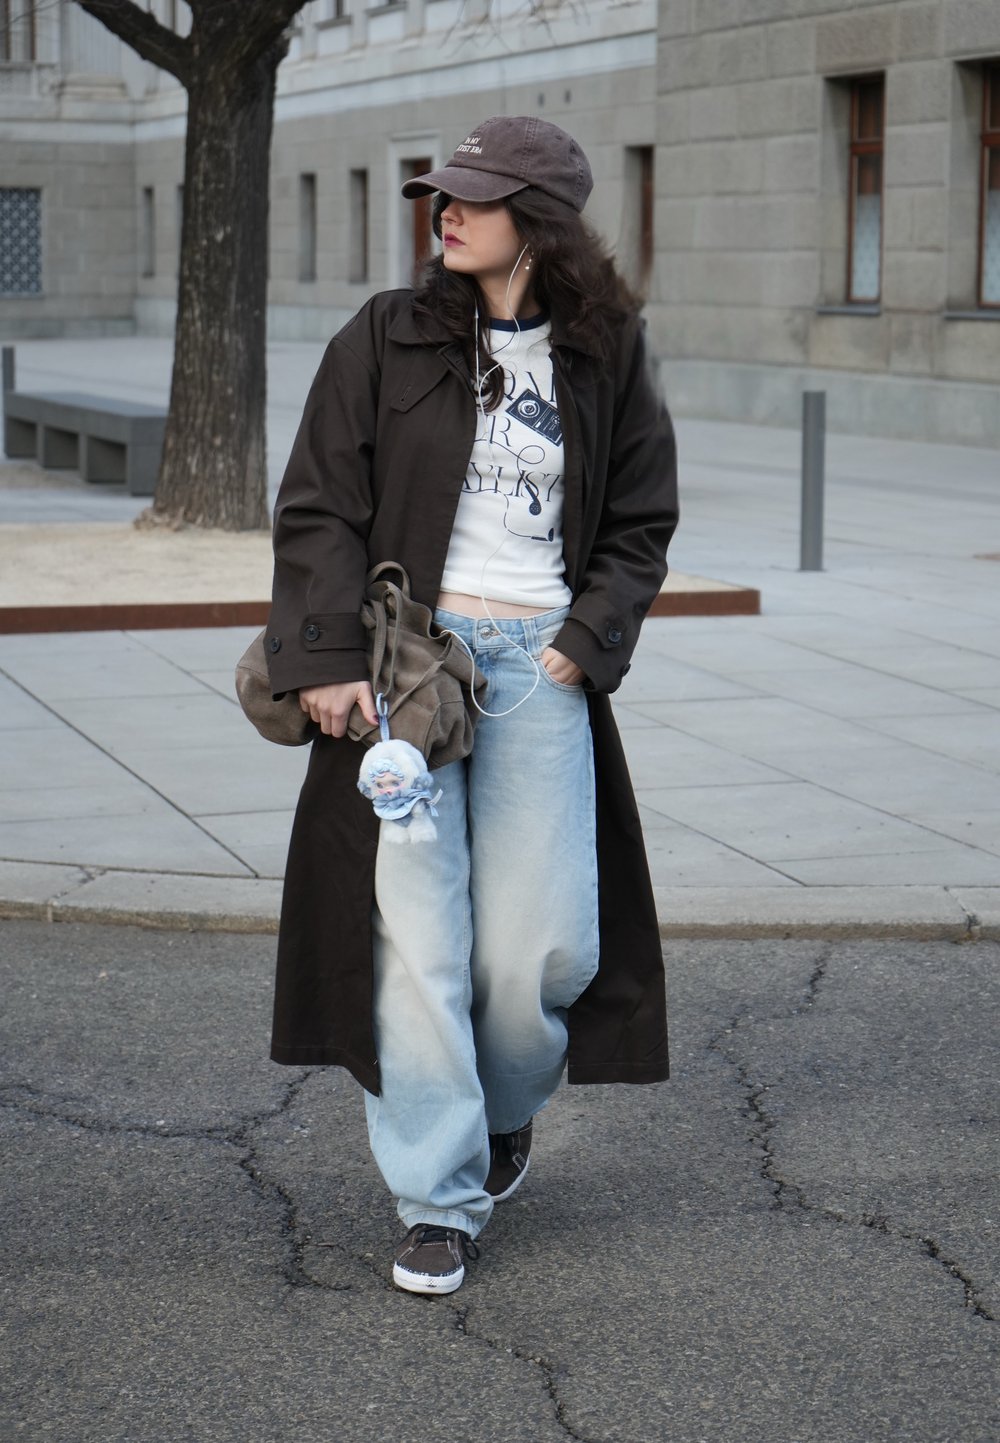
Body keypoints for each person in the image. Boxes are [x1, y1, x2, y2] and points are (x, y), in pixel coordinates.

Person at [265, 115, 679, 1296]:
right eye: (440, 194)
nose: (446, 211)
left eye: (473, 197)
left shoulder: (605, 351)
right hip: (412, 668)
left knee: (544, 951)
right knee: (413, 944)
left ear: (538, 222)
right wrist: (327, 655)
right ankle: (438, 1200)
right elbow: (319, 502)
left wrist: (584, 642)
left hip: (538, 668)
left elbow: (641, 518)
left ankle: (499, 1110)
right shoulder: (385, 335)